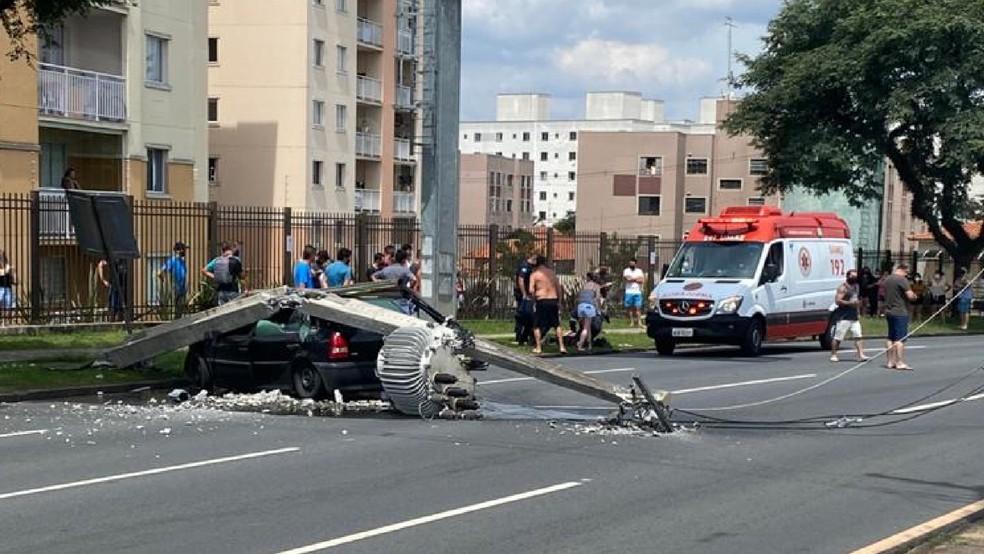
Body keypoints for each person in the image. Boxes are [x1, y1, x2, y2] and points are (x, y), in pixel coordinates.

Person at [883, 263, 918, 370]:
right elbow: (910, 295)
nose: (907, 275)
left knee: (890, 337)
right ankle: (899, 362)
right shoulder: (902, 280)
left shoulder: (887, 279)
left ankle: (890, 361)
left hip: (889, 311)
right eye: (907, 272)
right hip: (900, 312)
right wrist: (915, 296)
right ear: (903, 269)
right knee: (900, 339)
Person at [529, 255, 566, 355]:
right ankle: (562, 346)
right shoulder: (552, 273)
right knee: (556, 324)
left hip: (541, 300)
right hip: (553, 299)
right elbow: (559, 288)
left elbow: (531, 290)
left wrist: (534, 301)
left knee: (536, 325)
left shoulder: (534, 274)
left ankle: (538, 347)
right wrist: (559, 301)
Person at [829, 269, 868, 362]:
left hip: (854, 316)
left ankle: (861, 354)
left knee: (858, 335)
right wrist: (850, 303)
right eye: (852, 276)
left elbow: (856, 299)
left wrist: (858, 310)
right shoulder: (843, 288)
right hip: (843, 316)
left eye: (855, 276)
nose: (854, 278)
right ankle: (834, 354)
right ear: (848, 276)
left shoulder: (856, 286)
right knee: (838, 337)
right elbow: (838, 301)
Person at [372, 249, 417, 314]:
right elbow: (414, 279)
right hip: (400, 298)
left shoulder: (386, 269)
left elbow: (373, 275)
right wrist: (409, 287)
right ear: (404, 260)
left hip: (387, 299)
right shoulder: (405, 270)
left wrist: (377, 281)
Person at [157, 241, 189, 318]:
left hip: (182, 290)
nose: (185, 251)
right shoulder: (172, 261)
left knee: (179, 312)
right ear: (178, 250)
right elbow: (160, 272)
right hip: (174, 290)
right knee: (173, 312)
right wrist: (164, 282)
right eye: (183, 249)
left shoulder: (183, 262)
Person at [575, 272, 602, 352]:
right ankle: (580, 345)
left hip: (580, 306)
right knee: (586, 328)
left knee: (587, 327)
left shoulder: (585, 285)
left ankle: (589, 345)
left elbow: (579, 296)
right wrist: (599, 309)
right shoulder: (596, 286)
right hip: (589, 306)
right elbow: (597, 298)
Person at [514, 253, 536, 345]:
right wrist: (524, 294)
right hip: (523, 294)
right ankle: (520, 335)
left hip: (528, 294)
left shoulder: (531, 267)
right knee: (522, 315)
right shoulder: (525, 266)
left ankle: (525, 336)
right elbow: (521, 280)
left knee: (527, 315)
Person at [623, 258, 645, 328]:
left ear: (635, 264)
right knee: (630, 308)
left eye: (632, 263)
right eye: (630, 263)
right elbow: (627, 279)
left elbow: (642, 280)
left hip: (637, 291)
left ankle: (639, 322)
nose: (631, 264)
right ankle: (632, 322)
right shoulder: (626, 270)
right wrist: (636, 278)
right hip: (629, 291)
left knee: (638, 308)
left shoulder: (639, 271)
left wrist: (632, 279)